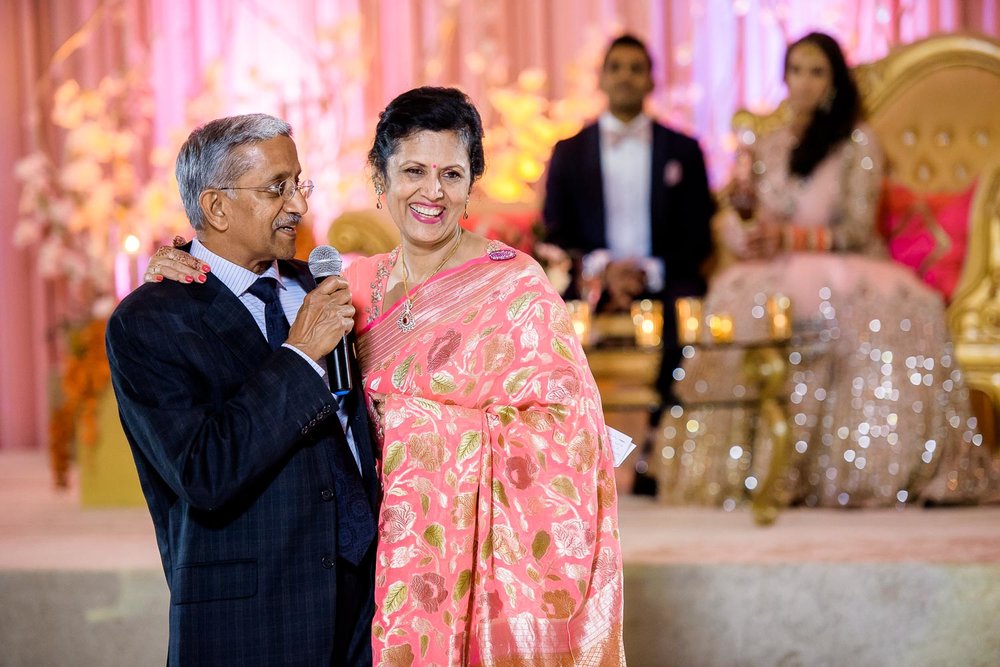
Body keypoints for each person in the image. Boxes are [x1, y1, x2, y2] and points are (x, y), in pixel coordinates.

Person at [145, 89, 628, 665]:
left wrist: (424, 432)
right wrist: (184, 258)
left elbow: (570, 440)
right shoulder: (349, 284)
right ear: (380, 178)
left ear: (472, 183)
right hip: (361, 584)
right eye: (413, 171)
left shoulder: (514, 288)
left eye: (452, 173)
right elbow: (241, 287)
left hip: (459, 583)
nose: (433, 192)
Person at [663, 32, 997, 509]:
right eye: (795, 70)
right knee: (736, 308)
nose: (803, 82)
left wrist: (790, 239)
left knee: (868, 317)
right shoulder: (768, 143)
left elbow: (858, 231)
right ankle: (748, 473)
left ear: (834, 81)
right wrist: (746, 228)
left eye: (816, 71)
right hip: (770, 268)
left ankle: (836, 473)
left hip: (842, 264)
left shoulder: (857, 144)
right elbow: (741, 219)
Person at [108, 114, 379, 665]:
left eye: (298, 184)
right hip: (253, 619)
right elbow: (204, 471)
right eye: (276, 188)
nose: (298, 205)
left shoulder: (320, 284)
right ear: (216, 207)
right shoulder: (152, 321)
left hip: (367, 606)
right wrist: (300, 357)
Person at [541, 33, 715, 494]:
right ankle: (566, 456)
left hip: (664, 276)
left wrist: (645, 271)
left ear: (651, 79)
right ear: (601, 76)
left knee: (687, 313)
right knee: (547, 321)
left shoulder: (684, 150)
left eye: (636, 67)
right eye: (616, 66)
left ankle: (660, 451)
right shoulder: (569, 151)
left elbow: (699, 232)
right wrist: (603, 270)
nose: (625, 76)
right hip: (590, 281)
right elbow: (554, 231)